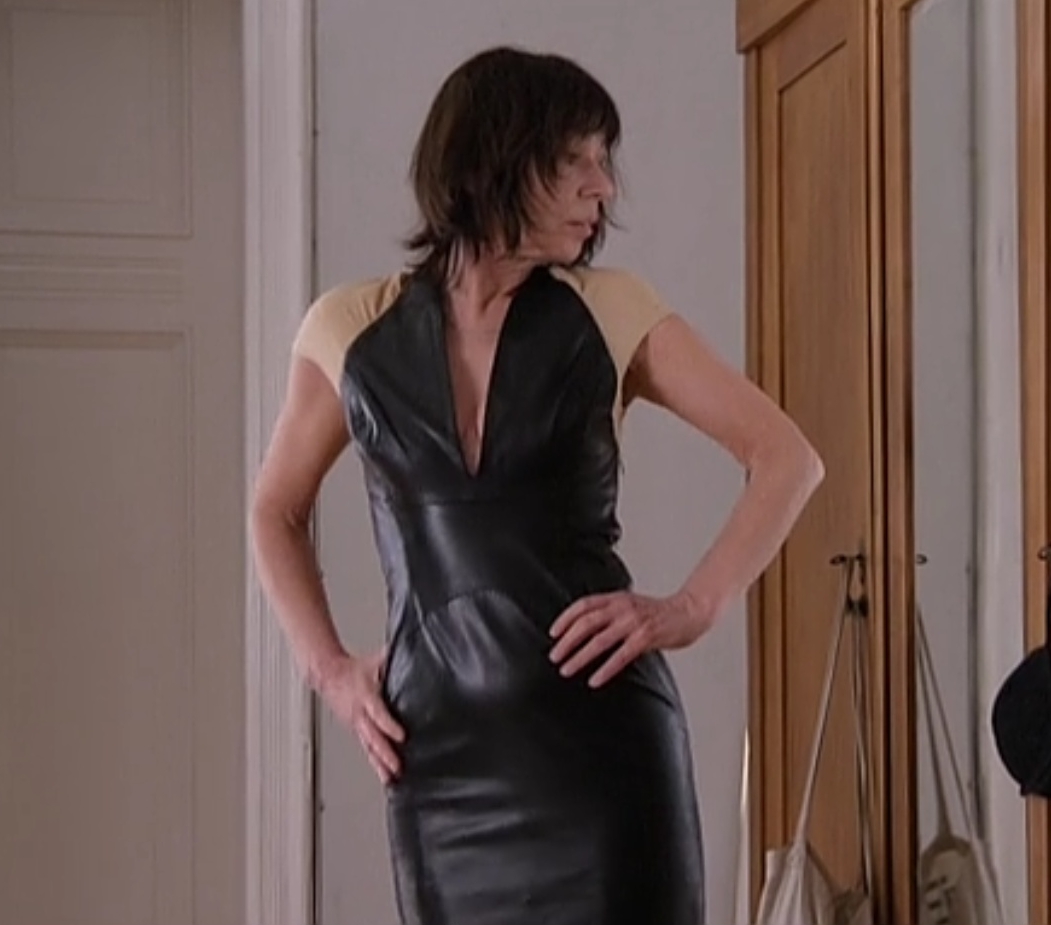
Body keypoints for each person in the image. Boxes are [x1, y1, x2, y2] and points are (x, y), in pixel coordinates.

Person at [248, 46, 824, 925]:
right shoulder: (349, 328)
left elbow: (787, 456)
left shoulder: (611, 308)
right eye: (575, 160)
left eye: (605, 160)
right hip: (439, 768)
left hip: (604, 762)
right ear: (496, 160)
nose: (604, 187)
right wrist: (327, 669)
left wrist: (692, 607)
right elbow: (275, 509)